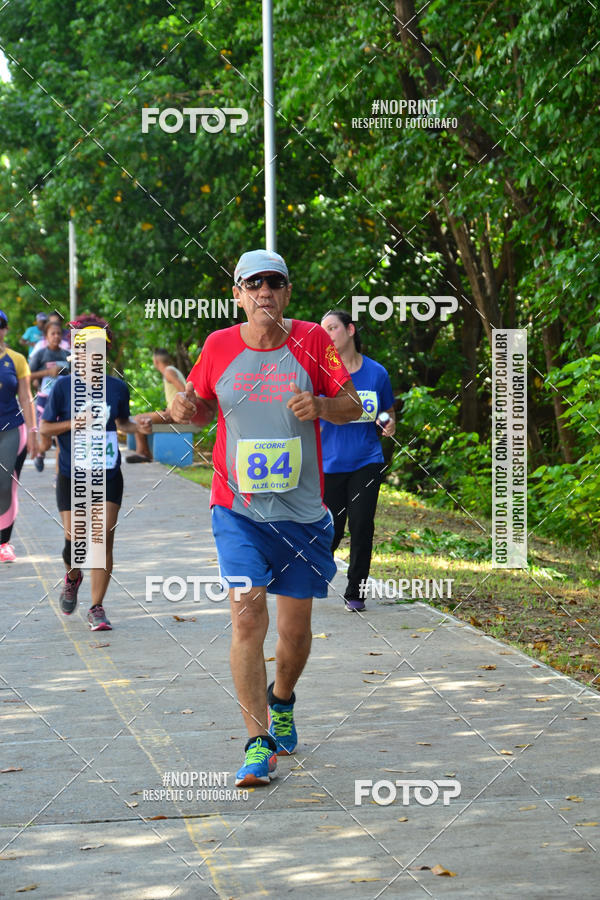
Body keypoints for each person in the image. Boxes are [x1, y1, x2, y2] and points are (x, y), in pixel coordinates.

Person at [172, 249, 361, 787]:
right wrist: (185, 409)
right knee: (248, 618)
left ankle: (282, 700)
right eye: (253, 285)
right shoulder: (218, 346)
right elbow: (200, 407)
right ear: (237, 295)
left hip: (302, 515)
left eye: (274, 284)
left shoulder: (313, 341)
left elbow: (353, 405)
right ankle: (258, 744)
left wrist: (321, 406)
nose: (264, 293)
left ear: (287, 292)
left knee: (295, 634)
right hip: (238, 510)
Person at [39, 314, 141, 630]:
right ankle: (73, 576)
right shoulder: (63, 387)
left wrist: (141, 426)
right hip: (72, 474)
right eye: (85, 348)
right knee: (75, 541)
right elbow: (45, 428)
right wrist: (74, 423)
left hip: (107, 473)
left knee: (102, 538)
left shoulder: (117, 388)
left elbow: (123, 423)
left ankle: (96, 607)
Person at [320, 309, 396, 612]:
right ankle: (312, 577)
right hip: (329, 463)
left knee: (362, 525)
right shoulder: (321, 374)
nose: (327, 334)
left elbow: (386, 410)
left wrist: (388, 423)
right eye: (323, 330)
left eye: (332, 328)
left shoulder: (377, 373)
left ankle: (356, 592)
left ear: (350, 330)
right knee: (332, 530)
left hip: (366, 460)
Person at [0, 309, 37, 562]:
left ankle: (4, 543)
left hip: (12, 428)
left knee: (5, 485)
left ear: (5, 329)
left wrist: (34, 431)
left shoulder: (17, 359)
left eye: (0, 326)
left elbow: (25, 397)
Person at [126, 348, 187, 463]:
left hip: (175, 414)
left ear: (155, 361)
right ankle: (144, 452)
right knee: (141, 418)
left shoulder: (169, 372)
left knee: (138, 419)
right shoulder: (173, 370)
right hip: (174, 412)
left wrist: (174, 411)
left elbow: (184, 391)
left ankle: (143, 453)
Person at [29, 320, 71, 472]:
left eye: (59, 333)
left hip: (63, 402)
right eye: (52, 334)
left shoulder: (67, 355)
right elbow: (27, 376)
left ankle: (58, 476)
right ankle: (40, 453)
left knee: (61, 441)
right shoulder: (40, 354)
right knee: (46, 444)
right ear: (46, 336)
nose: (56, 336)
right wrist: (47, 372)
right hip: (45, 401)